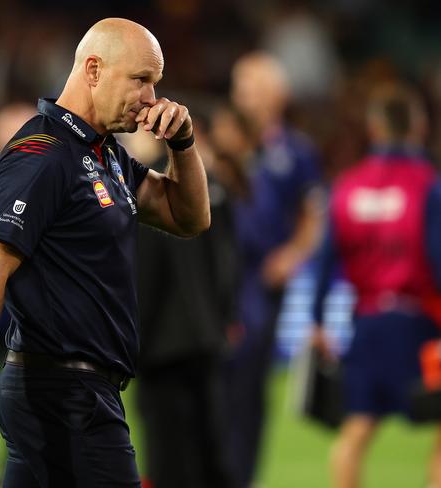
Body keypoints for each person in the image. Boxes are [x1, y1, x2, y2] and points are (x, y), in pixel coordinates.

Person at [0, 17, 209, 487]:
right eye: (141, 80)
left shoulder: (102, 154)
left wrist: (183, 143)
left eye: (155, 83)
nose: (152, 98)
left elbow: (188, 217)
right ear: (93, 70)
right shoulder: (43, 153)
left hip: (79, 392)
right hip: (60, 393)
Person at [312, 82, 441, 488]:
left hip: (367, 323)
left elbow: (324, 260)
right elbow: (437, 258)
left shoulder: (347, 186)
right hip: (419, 322)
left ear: (374, 129)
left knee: (355, 433)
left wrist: (317, 321)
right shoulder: (429, 184)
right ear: (419, 127)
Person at [224, 51, 323, 488]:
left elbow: (313, 214)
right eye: (242, 88)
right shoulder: (220, 145)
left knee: (246, 385)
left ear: (279, 95)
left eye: (256, 88)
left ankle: (238, 475)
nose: (247, 97)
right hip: (216, 275)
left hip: (259, 280)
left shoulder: (296, 153)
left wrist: (293, 255)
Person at [135, 119, 235, 488]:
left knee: (169, 463)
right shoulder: (209, 190)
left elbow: (147, 279)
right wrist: (224, 317)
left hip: (162, 348)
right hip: (205, 337)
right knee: (211, 452)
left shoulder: (149, 195)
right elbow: (227, 264)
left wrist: (132, 342)